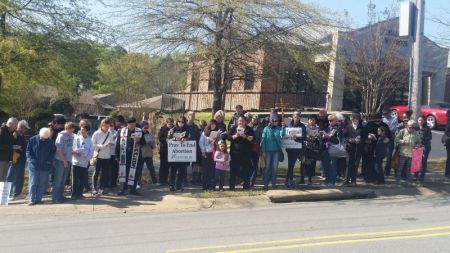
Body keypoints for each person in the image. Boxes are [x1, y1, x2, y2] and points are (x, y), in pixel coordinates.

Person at [116, 118, 145, 195]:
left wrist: (139, 140)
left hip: (135, 155)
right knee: (123, 172)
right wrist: (117, 156)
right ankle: (122, 189)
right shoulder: (121, 131)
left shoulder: (139, 131)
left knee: (134, 172)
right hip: (124, 155)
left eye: (133, 124)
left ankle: (132, 189)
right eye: (130, 124)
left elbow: (144, 143)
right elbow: (118, 144)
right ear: (127, 124)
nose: (132, 126)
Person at [26, 128, 56, 205]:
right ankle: (31, 199)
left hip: (45, 166)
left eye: (45, 139)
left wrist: (49, 161)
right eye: (42, 138)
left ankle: (38, 199)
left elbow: (53, 152)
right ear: (40, 135)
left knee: (42, 183)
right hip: (34, 166)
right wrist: (32, 160)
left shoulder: (50, 141)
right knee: (33, 183)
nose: (43, 140)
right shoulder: (32, 139)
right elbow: (28, 151)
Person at [228, 115, 254, 190]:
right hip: (235, 153)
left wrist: (245, 136)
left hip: (246, 153)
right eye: (239, 121)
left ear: (245, 122)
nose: (240, 122)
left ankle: (246, 186)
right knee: (233, 170)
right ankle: (232, 187)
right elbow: (228, 137)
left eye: (242, 121)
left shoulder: (249, 129)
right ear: (237, 121)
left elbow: (253, 138)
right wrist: (236, 135)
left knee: (246, 170)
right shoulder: (234, 128)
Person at [362, 113, 390, 183]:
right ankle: (368, 178)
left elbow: (389, 136)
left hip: (380, 148)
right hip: (370, 146)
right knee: (368, 163)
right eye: (375, 120)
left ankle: (378, 179)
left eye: (378, 120)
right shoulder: (369, 124)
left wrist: (387, 139)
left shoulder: (384, 125)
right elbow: (363, 134)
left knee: (378, 165)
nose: (377, 122)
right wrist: (368, 137)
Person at [52, 122, 75, 203]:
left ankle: (60, 196)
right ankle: (55, 198)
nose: (72, 131)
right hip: (60, 161)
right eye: (70, 130)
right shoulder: (61, 136)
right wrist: (64, 161)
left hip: (68, 160)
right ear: (66, 129)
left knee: (63, 180)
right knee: (58, 180)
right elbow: (59, 150)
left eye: (72, 130)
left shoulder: (72, 136)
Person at [6, 120, 30, 199]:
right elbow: (10, 145)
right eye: (25, 128)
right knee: (11, 176)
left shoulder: (22, 135)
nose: (25, 130)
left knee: (20, 177)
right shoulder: (14, 134)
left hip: (22, 159)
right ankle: (6, 194)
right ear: (21, 127)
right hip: (14, 159)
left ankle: (17, 194)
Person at [282, 111, 306, 187]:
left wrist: (296, 138)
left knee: (291, 165)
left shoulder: (302, 126)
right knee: (290, 165)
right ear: (293, 117)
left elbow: (303, 138)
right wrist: (284, 127)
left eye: (298, 117)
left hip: (297, 149)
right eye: (295, 117)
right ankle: (289, 180)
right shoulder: (289, 125)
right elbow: (285, 135)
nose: (296, 118)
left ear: (300, 118)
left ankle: (289, 181)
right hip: (290, 148)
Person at [92, 119, 115, 196]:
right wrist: (101, 146)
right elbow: (92, 145)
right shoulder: (96, 133)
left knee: (104, 173)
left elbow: (113, 143)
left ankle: (101, 188)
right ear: (102, 125)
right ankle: (94, 188)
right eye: (105, 126)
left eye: (108, 126)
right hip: (98, 155)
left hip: (107, 156)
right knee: (96, 172)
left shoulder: (110, 134)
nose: (107, 127)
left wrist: (111, 144)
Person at [167, 115, 190, 191]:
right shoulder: (172, 130)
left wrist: (186, 139)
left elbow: (191, 139)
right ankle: (171, 185)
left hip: (183, 154)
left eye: (182, 122)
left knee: (182, 171)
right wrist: (174, 139)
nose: (181, 123)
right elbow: (167, 140)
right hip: (174, 154)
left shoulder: (187, 130)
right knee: (173, 171)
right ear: (177, 122)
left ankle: (179, 185)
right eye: (179, 121)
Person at [260, 114, 283, 190]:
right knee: (267, 168)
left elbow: (282, 135)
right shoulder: (266, 129)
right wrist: (263, 150)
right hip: (267, 151)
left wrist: (283, 126)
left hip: (276, 151)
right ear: (270, 121)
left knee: (274, 168)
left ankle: (273, 184)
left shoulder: (279, 128)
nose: (275, 122)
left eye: (276, 121)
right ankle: (265, 184)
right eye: (274, 120)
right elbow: (263, 141)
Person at [71, 125, 94, 200]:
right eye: (81, 130)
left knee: (82, 179)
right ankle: (74, 194)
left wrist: (87, 159)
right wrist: (76, 152)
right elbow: (74, 148)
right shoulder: (76, 138)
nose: (82, 131)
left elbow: (91, 151)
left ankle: (80, 193)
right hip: (76, 161)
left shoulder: (90, 140)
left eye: (84, 130)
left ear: (87, 131)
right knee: (75, 179)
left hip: (84, 162)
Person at [199, 119, 221, 191]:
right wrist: (203, 151)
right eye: (212, 125)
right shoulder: (204, 132)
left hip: (214, 153)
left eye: (214, 125)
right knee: (205, 170)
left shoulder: (217, 132)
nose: (213, 126)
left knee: (212, 170)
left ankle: (211, 186)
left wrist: (216, 141)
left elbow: (220, 142)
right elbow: (201, 142)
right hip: (206, 153)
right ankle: (204, 186)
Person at [322, 114, 342, 187]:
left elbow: (337, 140)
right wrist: (323, 136)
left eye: (331, 120)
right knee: (326, 165)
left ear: (335, 121)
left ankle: (332, 181)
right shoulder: (327, 127)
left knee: (332, 165)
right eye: (329, 120)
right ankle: (327, 180)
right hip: (326, 148)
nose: (330, 122)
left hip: (334, 148)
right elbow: (325, 138)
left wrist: (327, 136)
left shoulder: (337, 128)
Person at [344, 113, 363, 186]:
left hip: (358, 148)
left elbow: (364, 137)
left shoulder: (362, 127)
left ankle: (353, 180)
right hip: (350, 147)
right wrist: (349, 140)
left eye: (355, 119)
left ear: (358, 119)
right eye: (352, 120)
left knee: (355, 164)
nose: (354, 121)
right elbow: (344, 136)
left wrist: (360, 140)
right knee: (348, 164)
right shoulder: (348, 127)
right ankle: (346, 180)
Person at [303, 115, 322, 185]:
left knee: (312, 164)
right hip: (306, 147)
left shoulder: (318, 128)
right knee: (304, 162)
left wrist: (316, 138)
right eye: (310, 119)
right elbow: (302, 136)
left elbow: (320, 137)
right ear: (308, 120)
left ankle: (310, 179)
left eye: (313, 120)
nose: (311, 121)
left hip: (314, 147)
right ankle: (302, 178)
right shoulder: (305, 128)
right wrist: (307, 137)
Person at [186, 111, 201, 185]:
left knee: (195, 164)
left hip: (195, 148)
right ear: (188, 116)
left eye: (194, 115)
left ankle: (194, 179)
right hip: (186, 148)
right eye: (191, 115)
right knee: (185, 164)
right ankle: (184, 179)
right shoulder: (184, 126)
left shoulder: (195, 127)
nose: (193, 116)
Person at [382, 108, 399, 176]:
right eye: (384, 114)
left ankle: (387, 170)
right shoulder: (383, 119)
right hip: (382, 139)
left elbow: (393, 129)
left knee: (389, 156)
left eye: (386, 113)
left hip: (390, 139)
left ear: (389, 113)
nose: (385, 115)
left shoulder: (394, 119)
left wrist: (384, 131)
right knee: (381, 155)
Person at [248, 114, 263, 187]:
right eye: (253, 118)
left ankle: (252, 181)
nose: (254, 120)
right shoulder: (248, 126)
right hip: (248, 148)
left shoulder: (260, 128)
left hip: (256, 148)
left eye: (256, 119)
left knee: (254, 165)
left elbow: (261, 139)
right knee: (248, 164)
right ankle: (246, 180)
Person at [416, 116, 432, 182]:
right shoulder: (416, 128)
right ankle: (415, 175)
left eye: (422, 120)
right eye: (419, 120)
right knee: (416, 161)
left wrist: (421, 139)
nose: (420, 121)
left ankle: (422, 176)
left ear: (424, 121)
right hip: (417, 146)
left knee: (423, 161)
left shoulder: (427, 128)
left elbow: (430, 137)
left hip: (425, 146)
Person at [158, 118, 174, 185]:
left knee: (169, 166)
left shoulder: (174, 129)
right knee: (163, 166)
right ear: (166, 123)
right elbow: (160, 138)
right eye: (169, 124)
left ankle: (167, 179)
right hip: (164, 150)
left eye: (171, 124)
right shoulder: (162, 129)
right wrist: (166, 140)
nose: (170, 125)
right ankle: (161, 180)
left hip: (171, 150)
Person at [109, 119, 119, 188]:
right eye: (110, 125)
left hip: (115, 153)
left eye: (112, 125)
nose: (111, 127)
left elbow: (118, 142)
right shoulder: (106, 133)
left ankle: (113, 183)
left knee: (115, 169)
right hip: (108, 154)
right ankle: (107, 183)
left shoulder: (116, 132)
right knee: (108, 169)